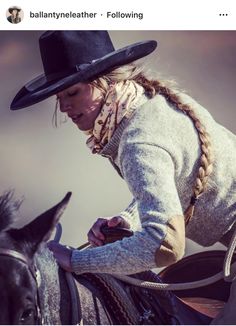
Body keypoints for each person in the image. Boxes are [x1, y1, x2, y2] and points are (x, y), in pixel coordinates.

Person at [10, 31, 236, 324]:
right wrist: (131, 217)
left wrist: (76, 261)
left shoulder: (138, 141)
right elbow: (175, 179)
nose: (64, 108)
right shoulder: (149, 105)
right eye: (59, 98)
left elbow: (164, 244)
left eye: (72, 93)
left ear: (105, 82)